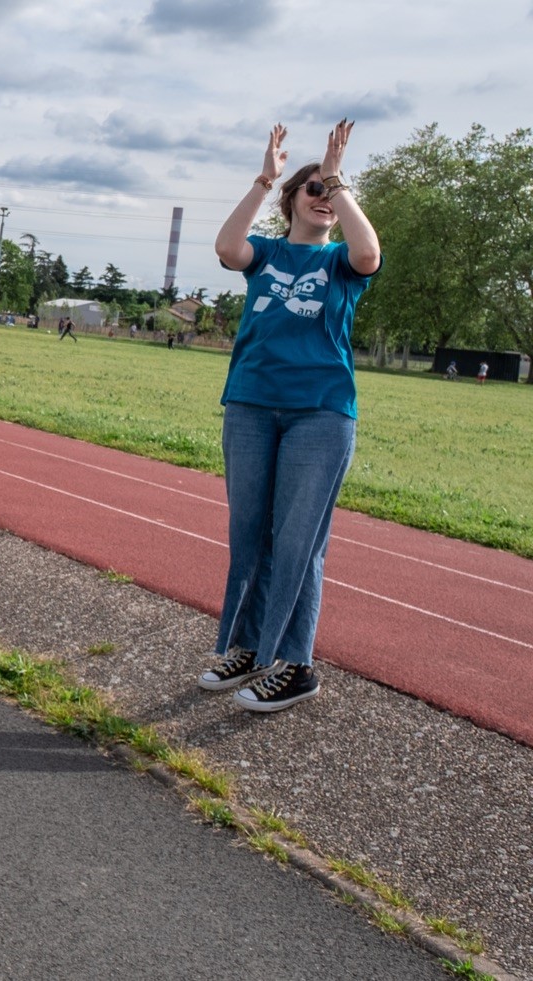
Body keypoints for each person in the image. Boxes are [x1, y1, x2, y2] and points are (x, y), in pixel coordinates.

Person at [200, 120, 381, 714]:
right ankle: (250, 648)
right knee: (249, 532)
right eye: (313, 191)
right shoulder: (268, 254)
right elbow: (228, 248)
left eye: (330, 192)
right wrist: (264, 179)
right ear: (292, 201)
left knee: (299, 539)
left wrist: (336, 177)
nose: (323, 199)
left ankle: (298, 665)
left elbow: (369, 252)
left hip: (321, 415)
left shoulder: (340, 265)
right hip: (251, 405)